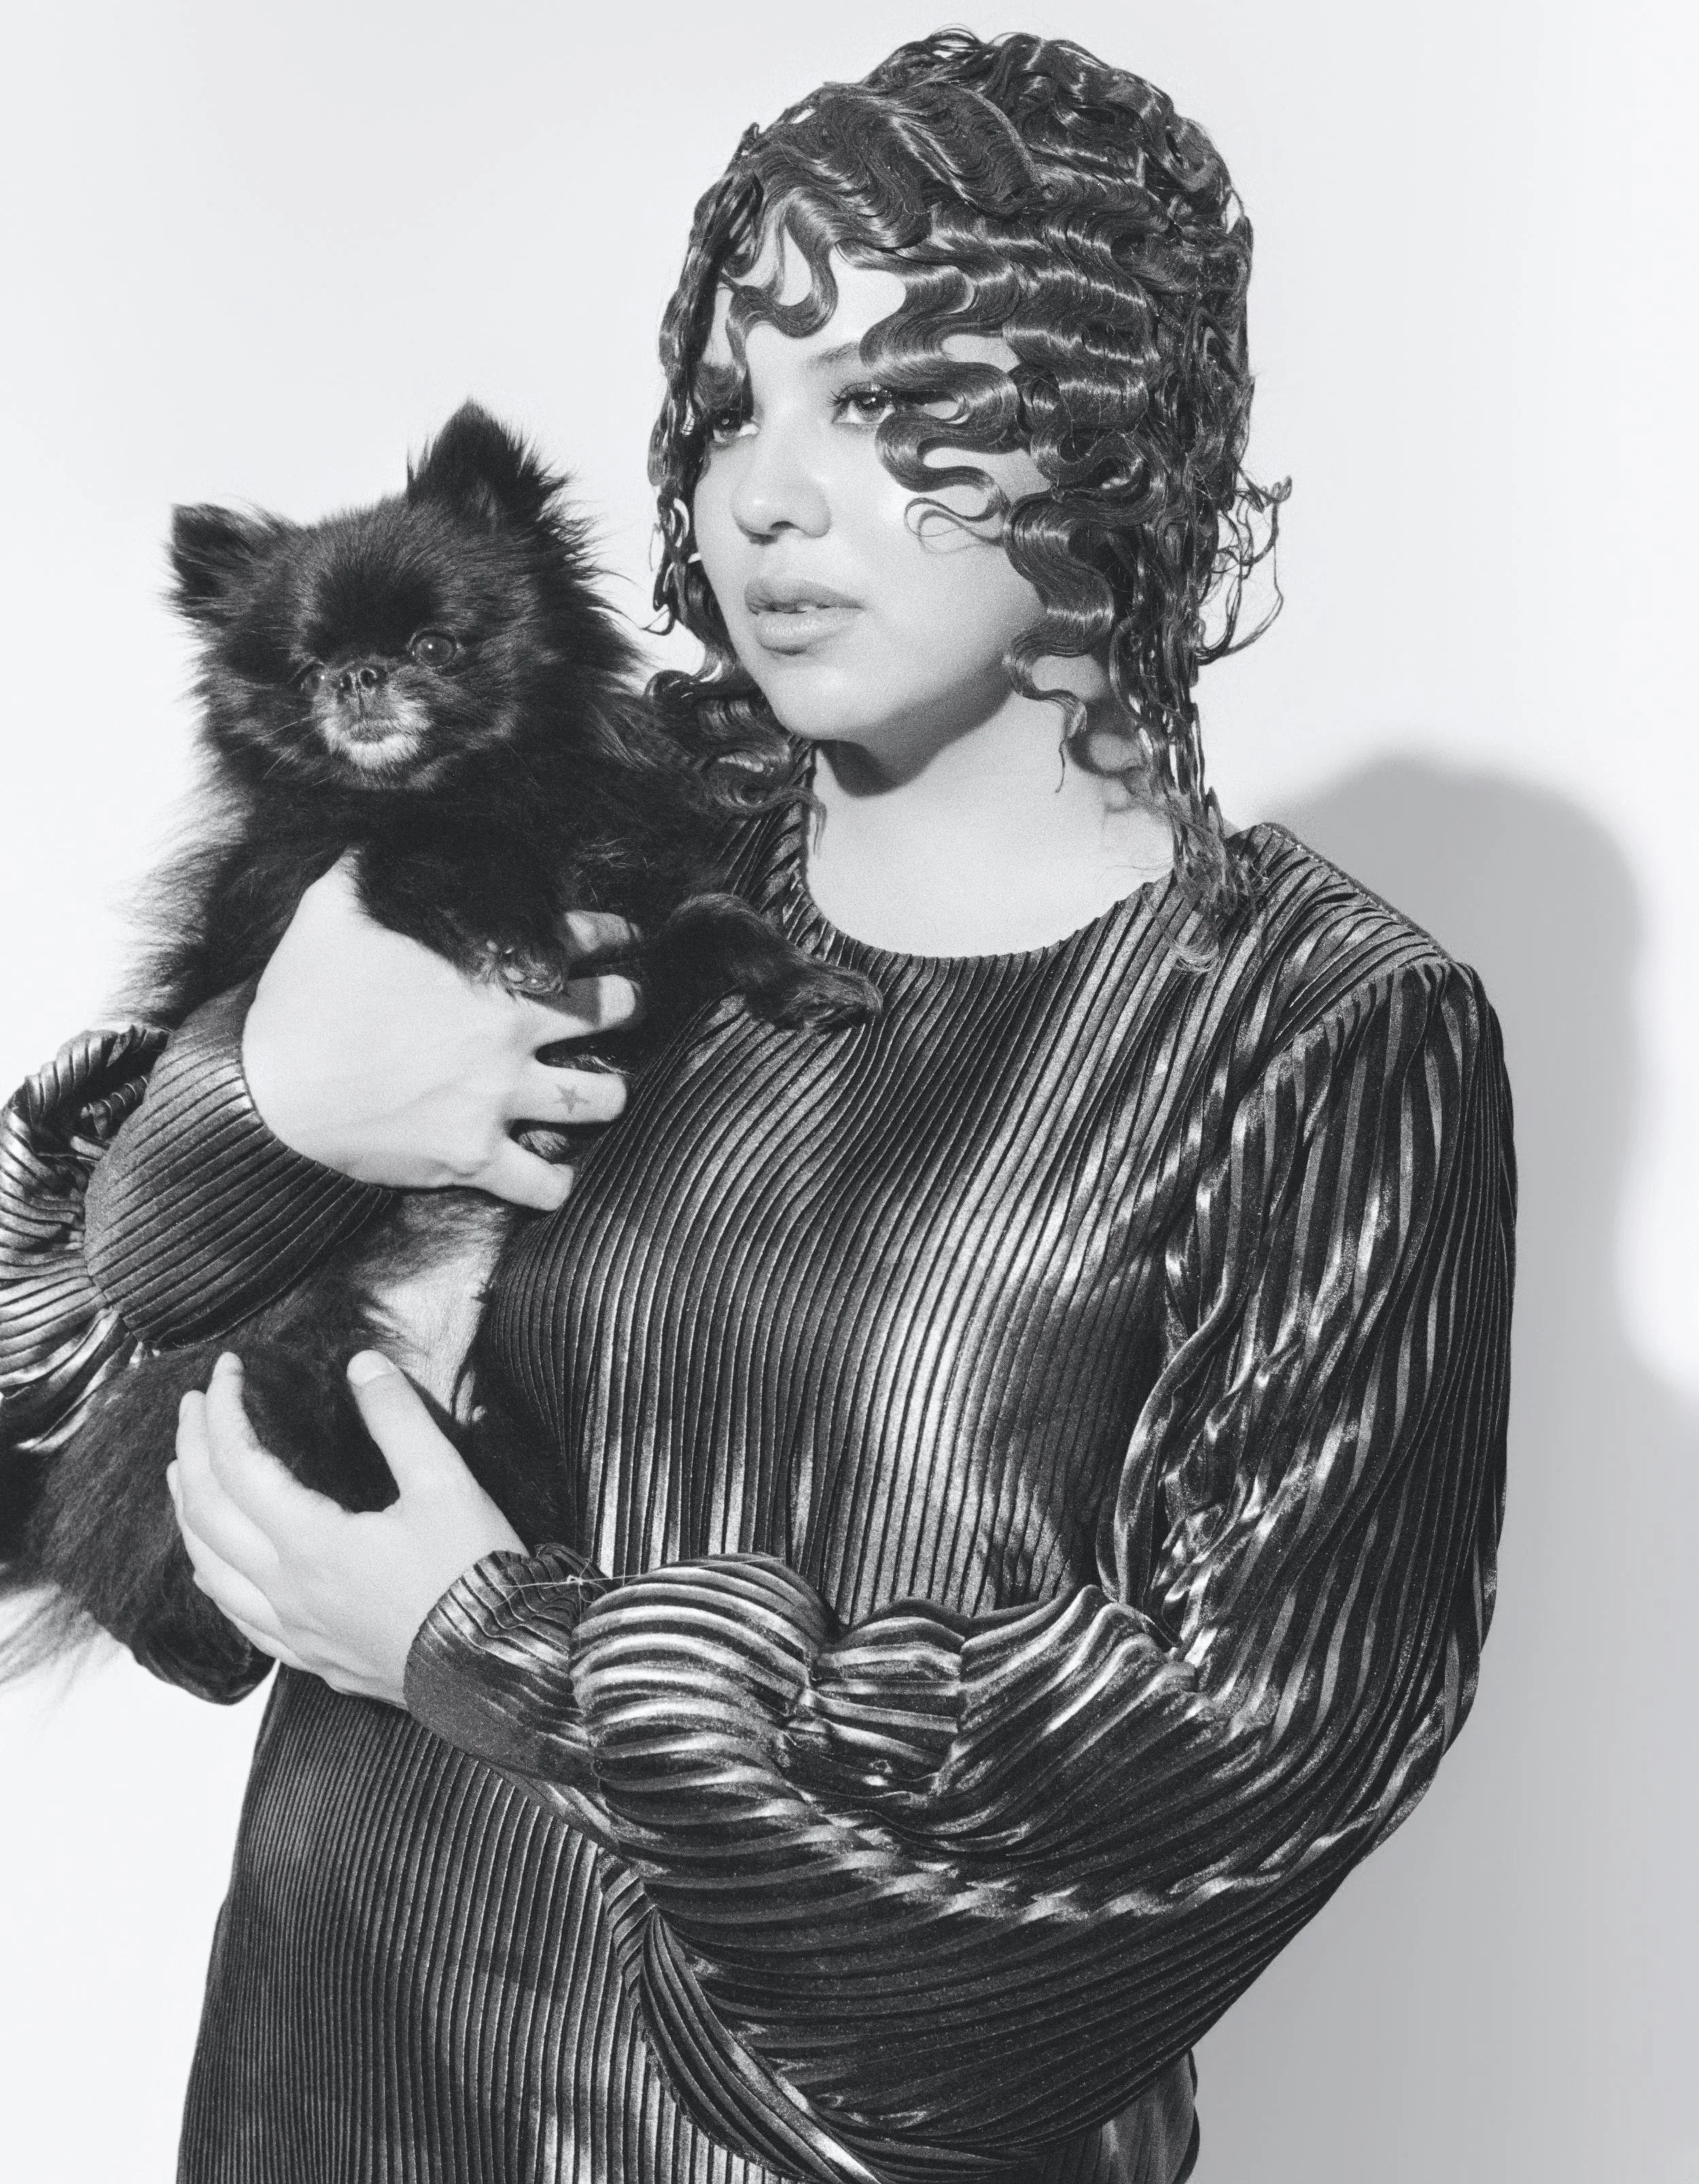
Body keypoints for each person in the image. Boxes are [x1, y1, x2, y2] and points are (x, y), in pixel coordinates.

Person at [0, 30, 1513, 2184]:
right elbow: (37, 1395)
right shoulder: (577, 835)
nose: (763, 493)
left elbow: (1221, 1777)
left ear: (1114, 426)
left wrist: (497, 1643)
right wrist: (265, 1108)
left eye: (892, 407)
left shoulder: (1321, 1041)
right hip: (315, 2108)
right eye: (731, 407)